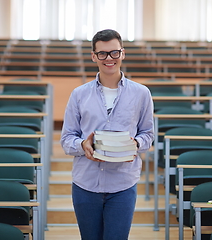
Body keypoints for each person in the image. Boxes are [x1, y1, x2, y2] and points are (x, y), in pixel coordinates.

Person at [60, 29, 154, 240]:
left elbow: (148, 134)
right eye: (102, 53)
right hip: (86, 183)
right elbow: (67, 139)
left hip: (123, 183)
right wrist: (83, 145)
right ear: (94, 56)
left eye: (114, 53)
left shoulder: (141, 93)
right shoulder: (79, 94)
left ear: (123, 53)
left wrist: (135, 144)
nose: (109, 58)